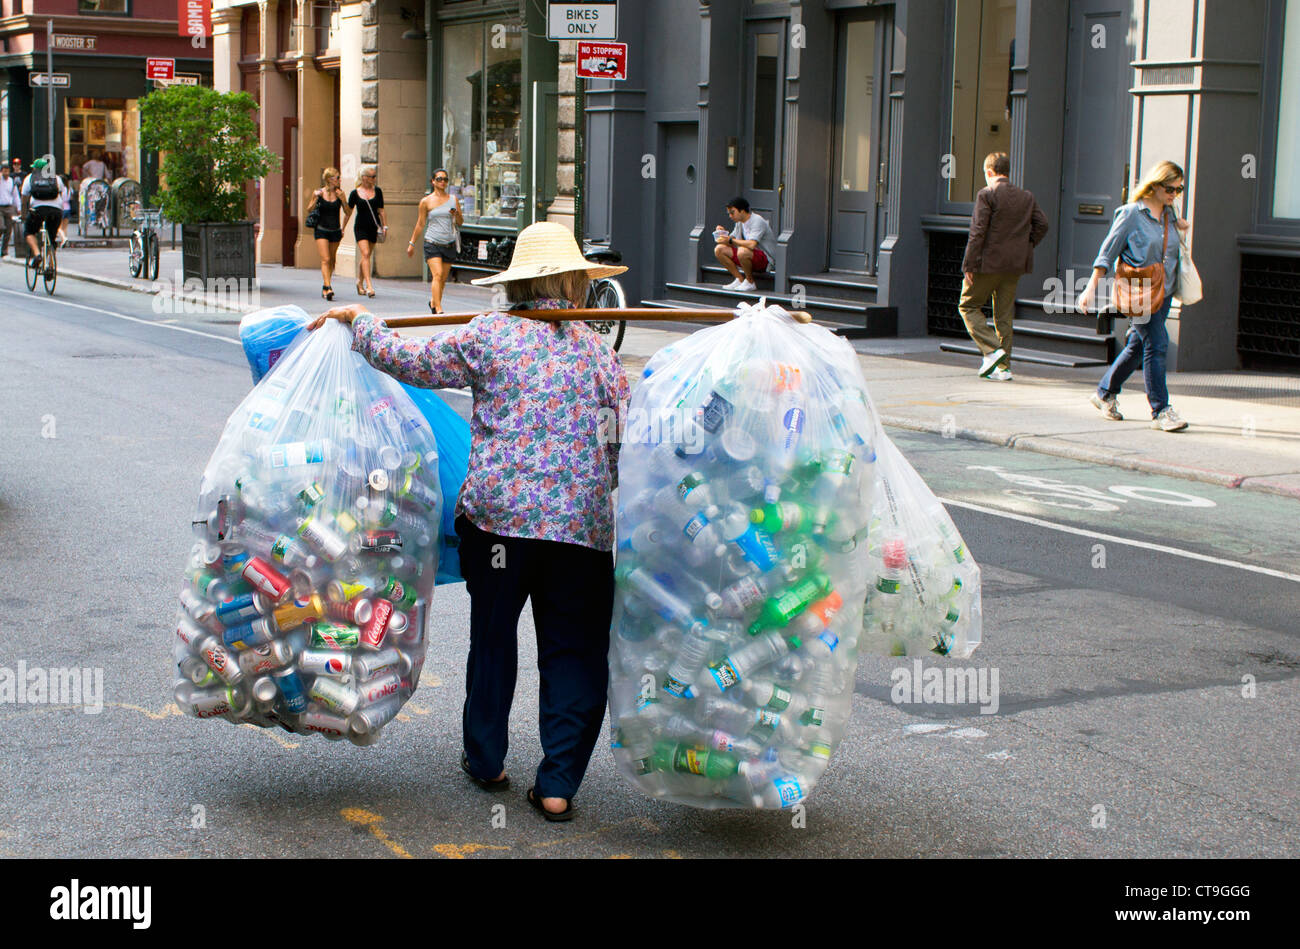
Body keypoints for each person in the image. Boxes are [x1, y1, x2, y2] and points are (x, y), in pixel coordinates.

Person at [310, 222, 630, 822]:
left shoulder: (489, 336)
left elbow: (410, 360)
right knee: (573, 653)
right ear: (576, 283)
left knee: (494, 637)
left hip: (500, 526)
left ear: (519, 285)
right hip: (580, 533)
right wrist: (591, 488)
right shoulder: (599, 357)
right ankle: (558, 783)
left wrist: (360, 322)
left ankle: (486, 758)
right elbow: (617, 443)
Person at [1078, 160, 1190, 432]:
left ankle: (1105, 392)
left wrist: (1180, 227)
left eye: (1179, 189)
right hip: (1139, 290)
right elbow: (1107, 253)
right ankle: (1161, 410)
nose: (1174, 194)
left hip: (1163, 291)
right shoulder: (1130, 214)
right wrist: (1090, 288)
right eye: (1170, 188)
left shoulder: (1169, 214)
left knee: (1138, 346)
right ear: (1154, 185)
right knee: (1158, 343)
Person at [958, 152, 1050, 382]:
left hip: (987, 264)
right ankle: (1004, 368)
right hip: (1015, 265)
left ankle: (992, 351)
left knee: (967, 306)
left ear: (989, 172)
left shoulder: (987, 194)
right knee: (1004, 316)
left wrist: (969, 263)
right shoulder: (1026, 196)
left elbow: (978, 231)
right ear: (1007, 172)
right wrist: (1026, 245)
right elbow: (1043, 224)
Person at [407, 168, 462, 314]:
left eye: (445, 179)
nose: (442, 182)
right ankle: (438, 308)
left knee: (443, 278)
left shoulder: (453, 200)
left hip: (449, 242)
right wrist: (412, 243)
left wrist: (456, 214)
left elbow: (460, 222)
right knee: (437, 274)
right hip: (432, 242)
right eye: (439, 179)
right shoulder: (426, 202)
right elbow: (420, 223)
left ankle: (433, 302)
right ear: (433, 182)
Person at [713, 196, 776, 291]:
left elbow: (752, 244)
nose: (730, 216)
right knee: (719, 249)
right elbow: (732, 241)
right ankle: (740, 279)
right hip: (748, 257)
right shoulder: (739, 223)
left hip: (765, 260)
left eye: (732, 212)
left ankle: (750, 282)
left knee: (742, 250)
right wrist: (722, 234)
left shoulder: (757, 220)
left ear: (742, 211)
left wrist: (730, 240)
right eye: (729, 213)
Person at [306, 167, 350, 301]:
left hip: (335, 230)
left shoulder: (340, 194)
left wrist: (343, 200)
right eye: (337, 177)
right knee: (325, 259)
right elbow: (309, 209)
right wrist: (315, 198)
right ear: (330, 179)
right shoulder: (319, 192)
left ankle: (325, 287)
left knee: (331, 260)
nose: (339, 180)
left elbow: (348, 212)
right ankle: (328, 286)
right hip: (321, 229)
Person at [21, 158, 67, 272]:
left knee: (29, 231)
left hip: (37, 210)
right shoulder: (56, 178)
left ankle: (37, 254)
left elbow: (24, 198)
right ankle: (50, 265)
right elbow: (61, 195)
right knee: (51, 238)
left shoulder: (29, 178)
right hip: (55, 211)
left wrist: (23, 214)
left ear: (35, 168)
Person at [348, 166, 386, 298]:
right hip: (360, 227)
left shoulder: (378, 191)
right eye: (372, 176)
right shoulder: (355, 193)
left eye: (375, 176)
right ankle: (369, 285)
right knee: (365, 253)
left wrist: (385, 226)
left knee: (366, 256)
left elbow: (381, 210)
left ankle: (359, 282)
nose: (374, 179)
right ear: (364, 177)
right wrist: (342, 228)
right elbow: (348, 212)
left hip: (373, 227)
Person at [0, 165, 19, 257]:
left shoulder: (11, 181)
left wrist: (18, 207)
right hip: (0, 207)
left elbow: (15, 195)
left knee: (8, 230)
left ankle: (4, 250)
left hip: (9, 207)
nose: (6, 173)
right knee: (1, 227)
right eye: (4, 171)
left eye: (7, 171)